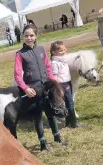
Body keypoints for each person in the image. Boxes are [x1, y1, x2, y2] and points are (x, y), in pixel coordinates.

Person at [14, 24, 67, 152]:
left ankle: (57, 137)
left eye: (31, 35)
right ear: (23, 37)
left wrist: (52, 81)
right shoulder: (20, 54)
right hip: (33, 90)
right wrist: (26, 88)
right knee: (38, 117)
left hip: (46, 87)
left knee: (51, 113)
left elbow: (48, 67)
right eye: (26, 36)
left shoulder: (41, 50)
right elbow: (17, 74)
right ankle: (43, 143)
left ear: (36, 36)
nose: (29, 38)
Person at [50, 41, 79, 128]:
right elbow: (54, 77)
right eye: (61, 51)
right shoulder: (55, 63)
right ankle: (73, 123)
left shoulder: (63, 59)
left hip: (68, 82)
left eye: (64, 49)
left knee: (68, 103)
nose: (63, 52)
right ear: (54, 52)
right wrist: (58, 88)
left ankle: (68, 122)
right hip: (62, 84)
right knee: (70, 103)